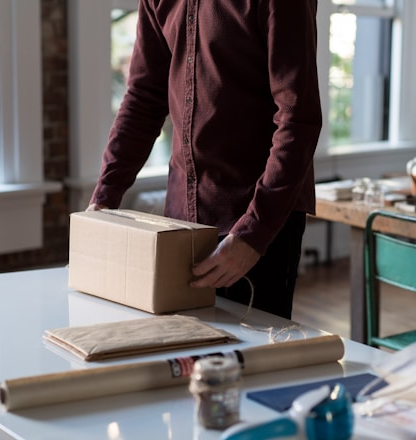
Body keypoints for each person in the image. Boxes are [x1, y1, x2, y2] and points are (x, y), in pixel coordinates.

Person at [87, 1, 323, 320]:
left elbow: (298, 119)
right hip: (180, 224)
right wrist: (104, 199)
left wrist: (253, 235)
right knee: (183, 358)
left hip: (258, 221)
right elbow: (143, 98)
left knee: (251, 364)